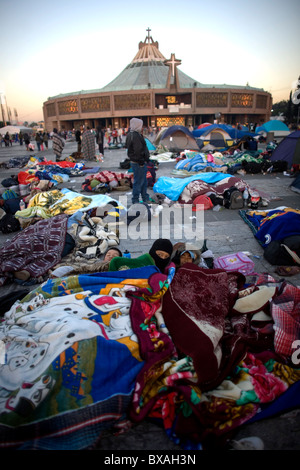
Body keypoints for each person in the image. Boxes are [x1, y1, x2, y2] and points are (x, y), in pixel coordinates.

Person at [125, 117, 150, 205]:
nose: (142, 127)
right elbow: (138, 150)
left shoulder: (131, 134)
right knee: (138, 182)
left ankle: (145, 197)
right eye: (140, 125)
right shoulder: (135, 135)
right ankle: (135, 200)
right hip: (138, 162)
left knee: (143, 181)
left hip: (136, 161)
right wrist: (142, 161)